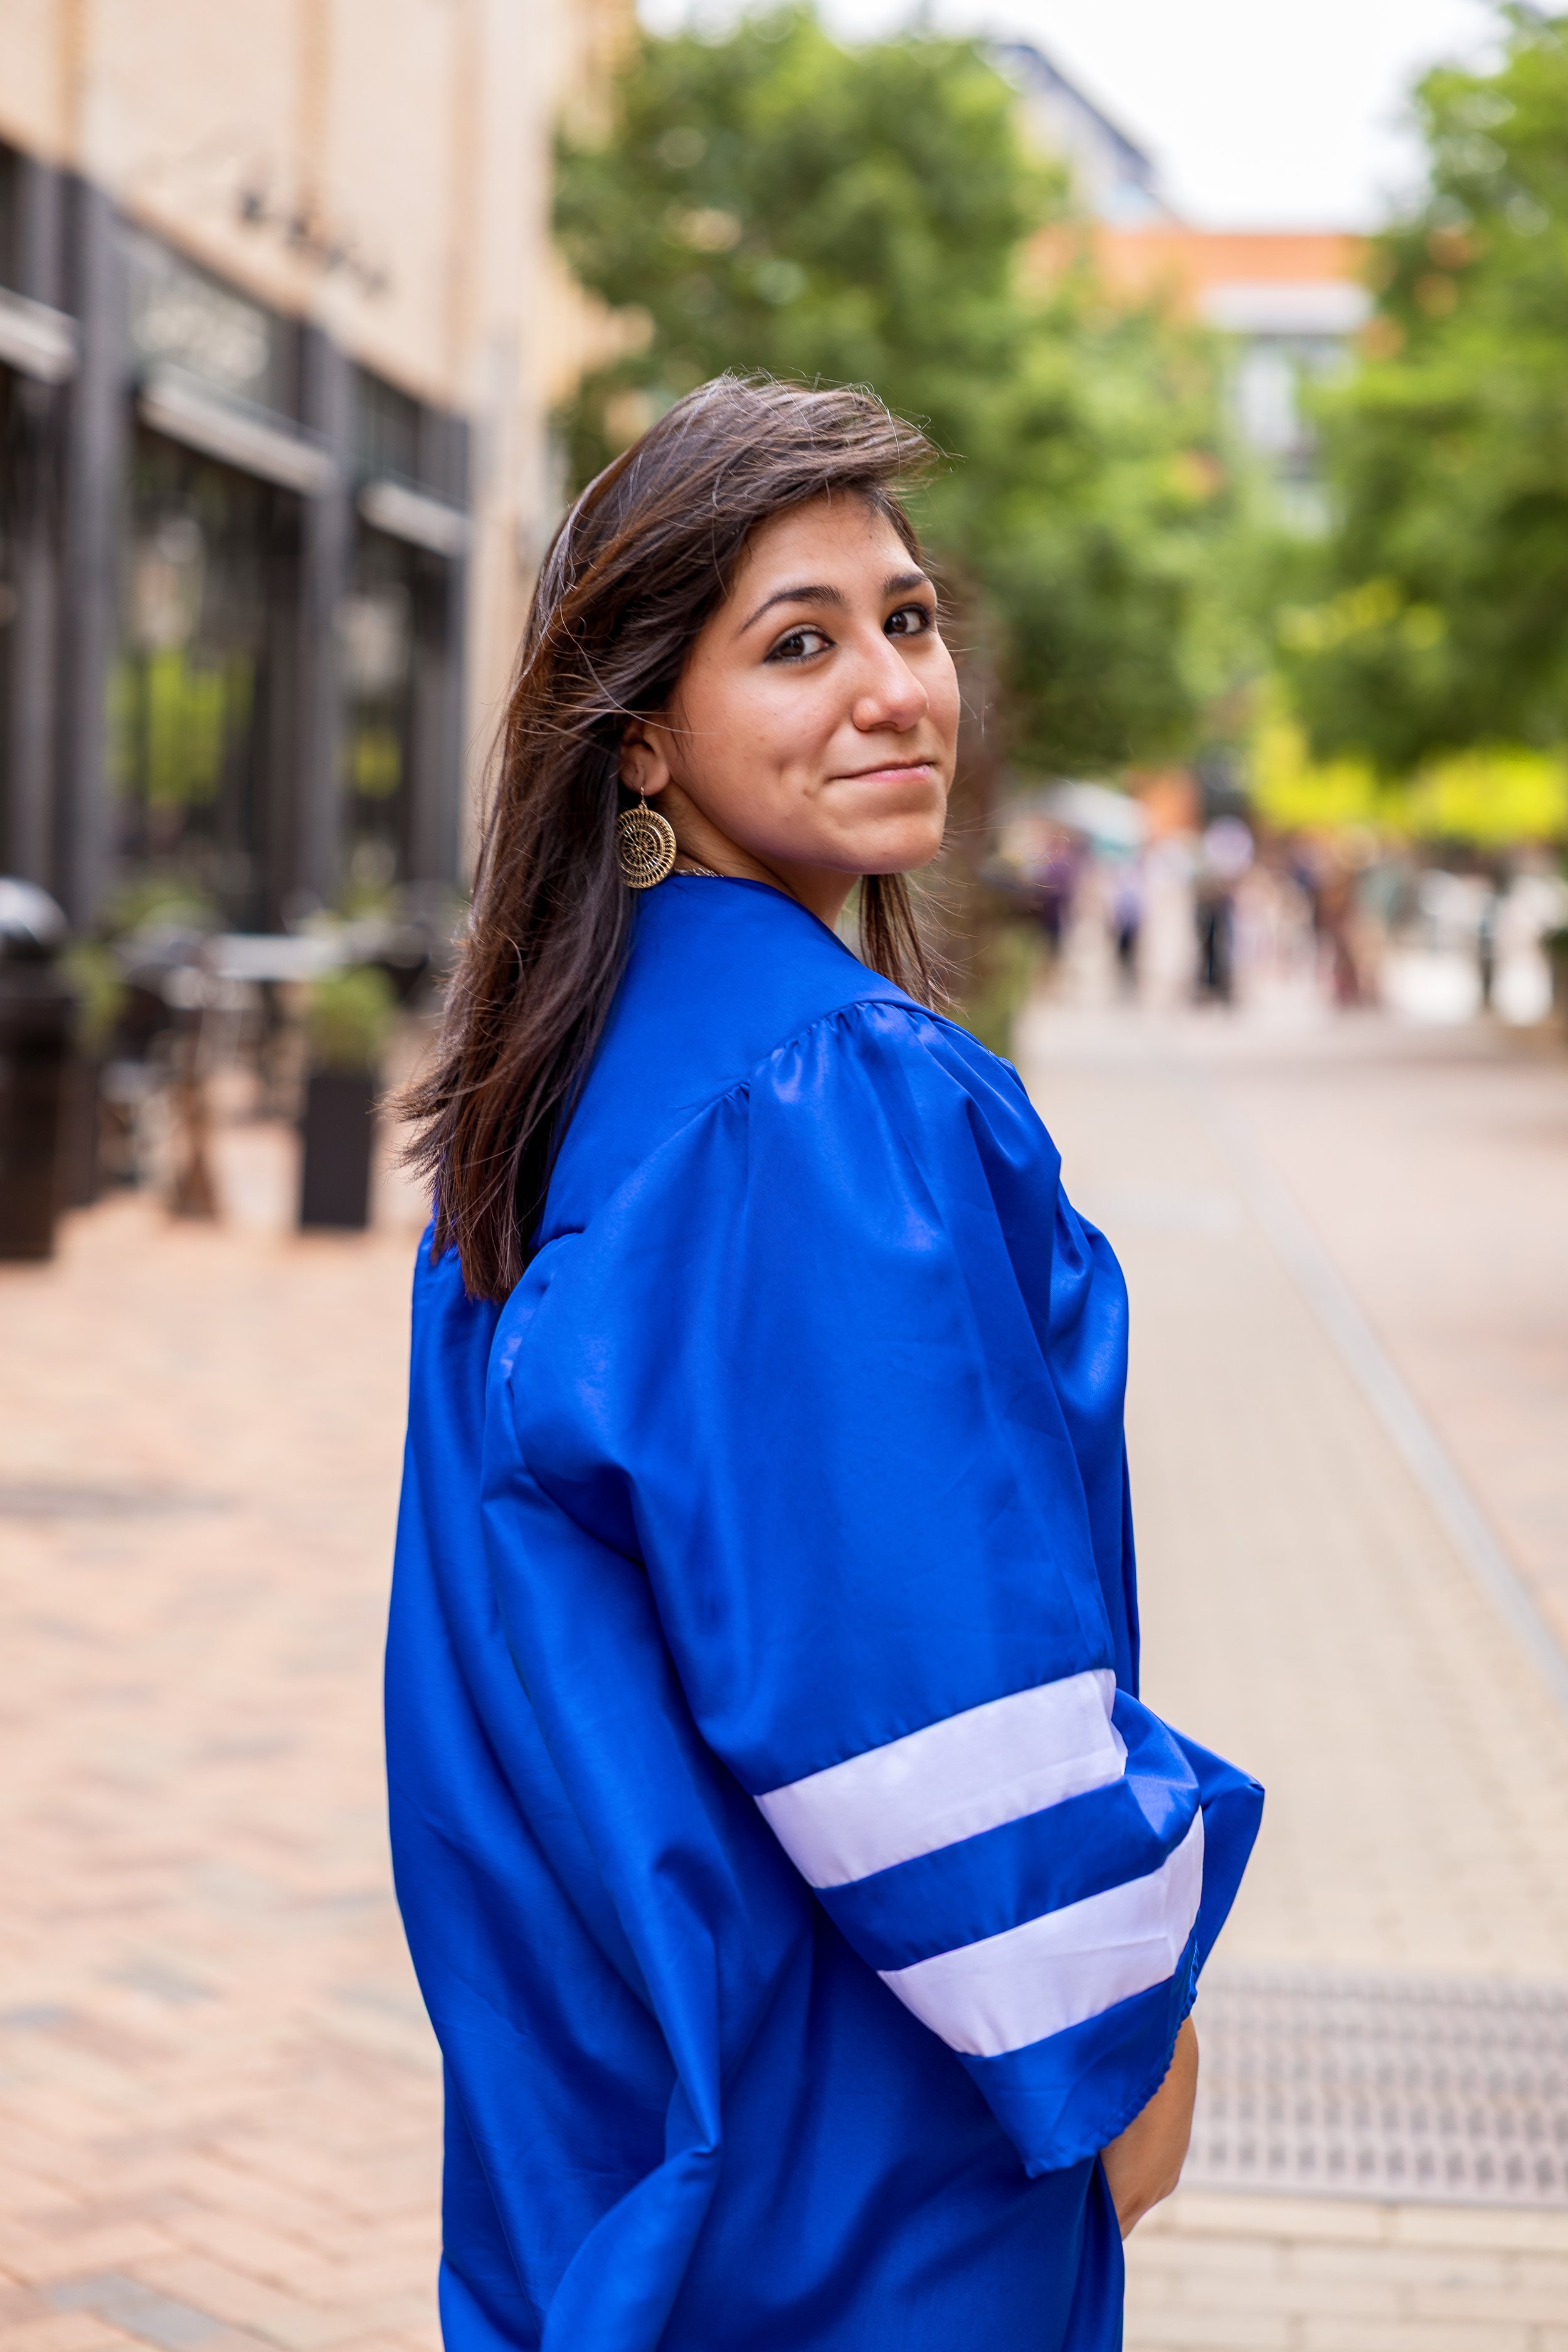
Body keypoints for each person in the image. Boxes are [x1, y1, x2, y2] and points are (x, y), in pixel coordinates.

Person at [388, 376, 1262, 2352]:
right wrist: (1109, 2017)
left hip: (616, 2089)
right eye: (796, 643)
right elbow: (912, 1675)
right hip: (855, 2129)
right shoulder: (814, 1094)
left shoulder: (584, 1082)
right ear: (642, 737)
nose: (891, 686)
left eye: (907, 618)